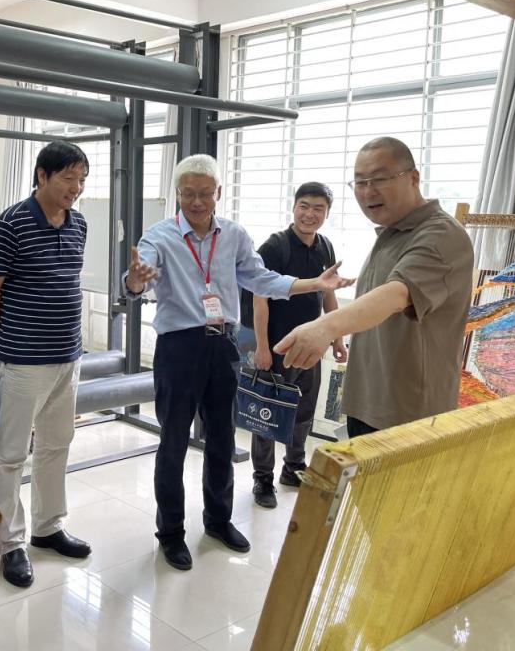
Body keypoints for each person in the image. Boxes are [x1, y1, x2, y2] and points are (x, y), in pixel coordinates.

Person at [123, 154, 354, 571]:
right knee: (173, 441)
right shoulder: (159, 235)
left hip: (224, 345)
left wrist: (315, 284)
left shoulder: (233, 235)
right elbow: (142, 271)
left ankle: (218, 520)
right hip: (179, 348)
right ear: (177, 193)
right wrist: (135, 280)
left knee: (222, 439)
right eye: (188, 194)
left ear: (219, 193)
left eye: (204, 194)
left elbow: (261, 279)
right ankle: (170, 532)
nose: (196, 202)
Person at [275, 137, 473, 438]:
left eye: (380, 179)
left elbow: (396, 295)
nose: (368, 191)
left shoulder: (441, 235)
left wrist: (325, 327)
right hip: (368, 404)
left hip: (408, 414)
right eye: (360, 182)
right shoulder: (393, 233)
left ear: (413, 178)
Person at [0, 140, 92, 589]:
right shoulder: (9, 225)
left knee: (56, 444)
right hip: (23, 360)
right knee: (9, 453)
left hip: (68, 356)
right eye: (68, 178)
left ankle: (48, 527)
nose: (75, 188)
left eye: (81, 180)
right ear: (41, 175)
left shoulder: (78, 223)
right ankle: (11, 543)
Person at [249, 182, 347, 509]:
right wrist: (262, 347)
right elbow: (259, 299)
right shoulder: (275, 246)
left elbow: (328, 294)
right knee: (268, 414)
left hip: (311, 347)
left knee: (303, 412)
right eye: (304, 206)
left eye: (318, 208)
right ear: (293, 207)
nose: (310, 214)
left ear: (327, 213)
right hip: (277, 348)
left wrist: (337, 338)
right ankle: (263, 478)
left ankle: (293, 468)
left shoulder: (325, 246)